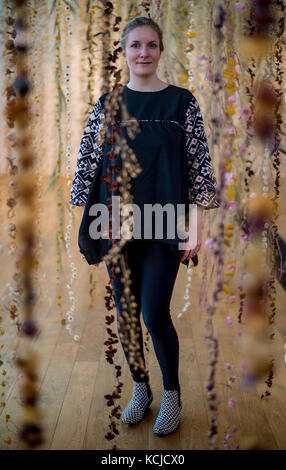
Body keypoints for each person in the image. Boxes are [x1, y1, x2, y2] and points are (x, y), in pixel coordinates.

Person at [70, 16, 219, 437]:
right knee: (127, 313)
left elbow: (199, 167)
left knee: (154, 313)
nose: (143, 53)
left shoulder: (182, 103)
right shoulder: (108, 104)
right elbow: (85, 165)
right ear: (124, 50)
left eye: (151, 45)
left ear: (160, 51)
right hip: (116, 223)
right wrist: (81, 223)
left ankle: (171, 393)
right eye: (135, 45)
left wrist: (196, 223)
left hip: (166, 220)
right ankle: (141, 388)